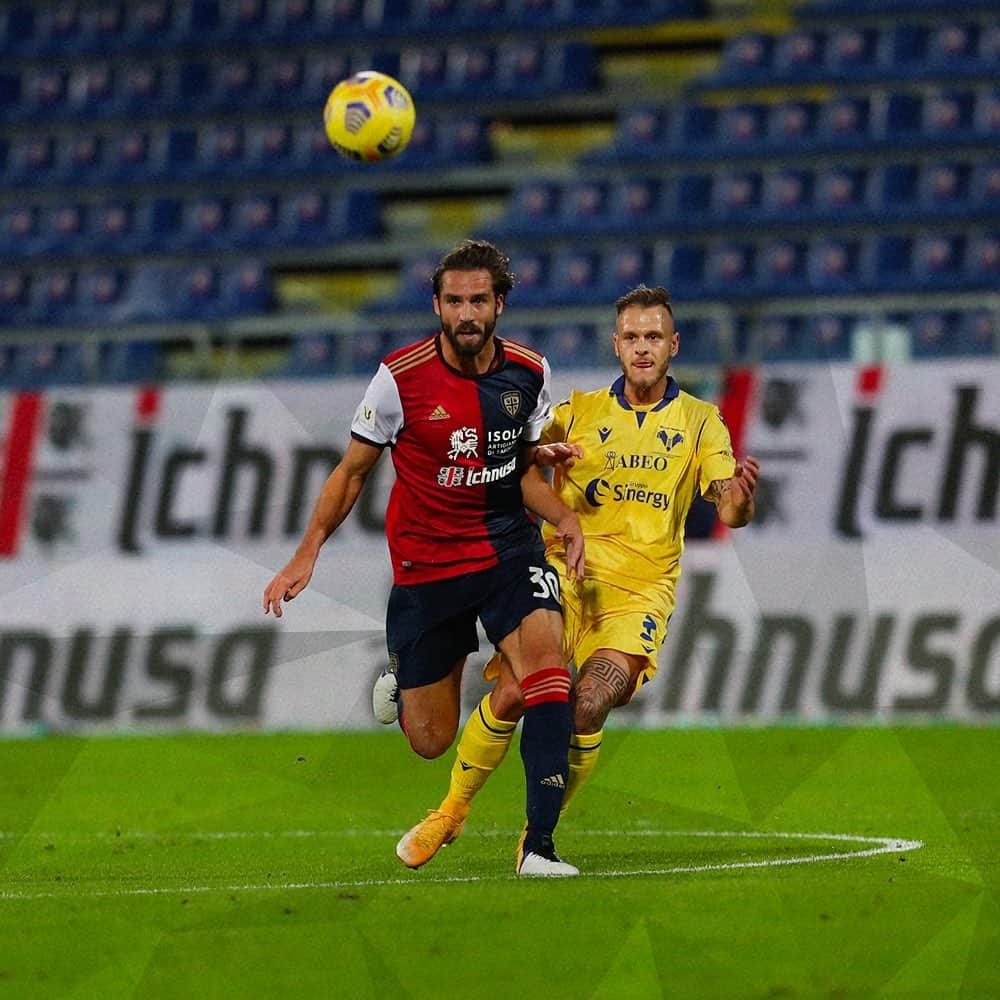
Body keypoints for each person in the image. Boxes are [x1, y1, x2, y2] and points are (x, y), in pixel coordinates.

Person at [387, 283, 759, 869]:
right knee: (513, 692)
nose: (643, 348)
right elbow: (517, 459)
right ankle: (451, 812)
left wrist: (738, 500)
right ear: (617, 344)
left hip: (637, 594)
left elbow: (728, 506)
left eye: (654, 337)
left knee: (587, 704)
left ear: (673, 345)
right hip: (564, 574)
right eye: (632, 337)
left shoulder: (700, 422)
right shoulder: (577, 412)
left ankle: (537, 838)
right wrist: (531, 459)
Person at [263, 239, 586, 877]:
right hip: (428, 568)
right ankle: (401, 675)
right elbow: (352, 474)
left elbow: (518, 467)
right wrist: (306, 554)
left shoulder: (529, 373)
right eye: (455, 301)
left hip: (505, 547)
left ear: (500, 304)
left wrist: (564, 516)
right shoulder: (399, 379)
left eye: (480, 301)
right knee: (431, 740)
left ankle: (539, 849)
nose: (467, 313)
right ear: (437, 305)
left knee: (548, 672)